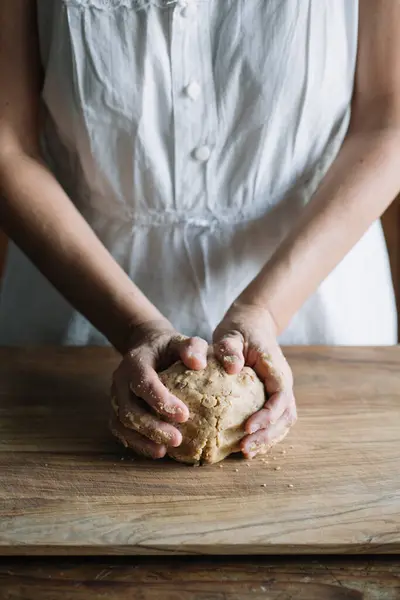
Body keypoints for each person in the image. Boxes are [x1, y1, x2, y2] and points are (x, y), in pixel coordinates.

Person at [0, 0, 398, 460]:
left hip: (317, 297)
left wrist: (265, 310)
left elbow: (387, 122)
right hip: (78, 307)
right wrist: (134, 326)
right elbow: (10, 148)